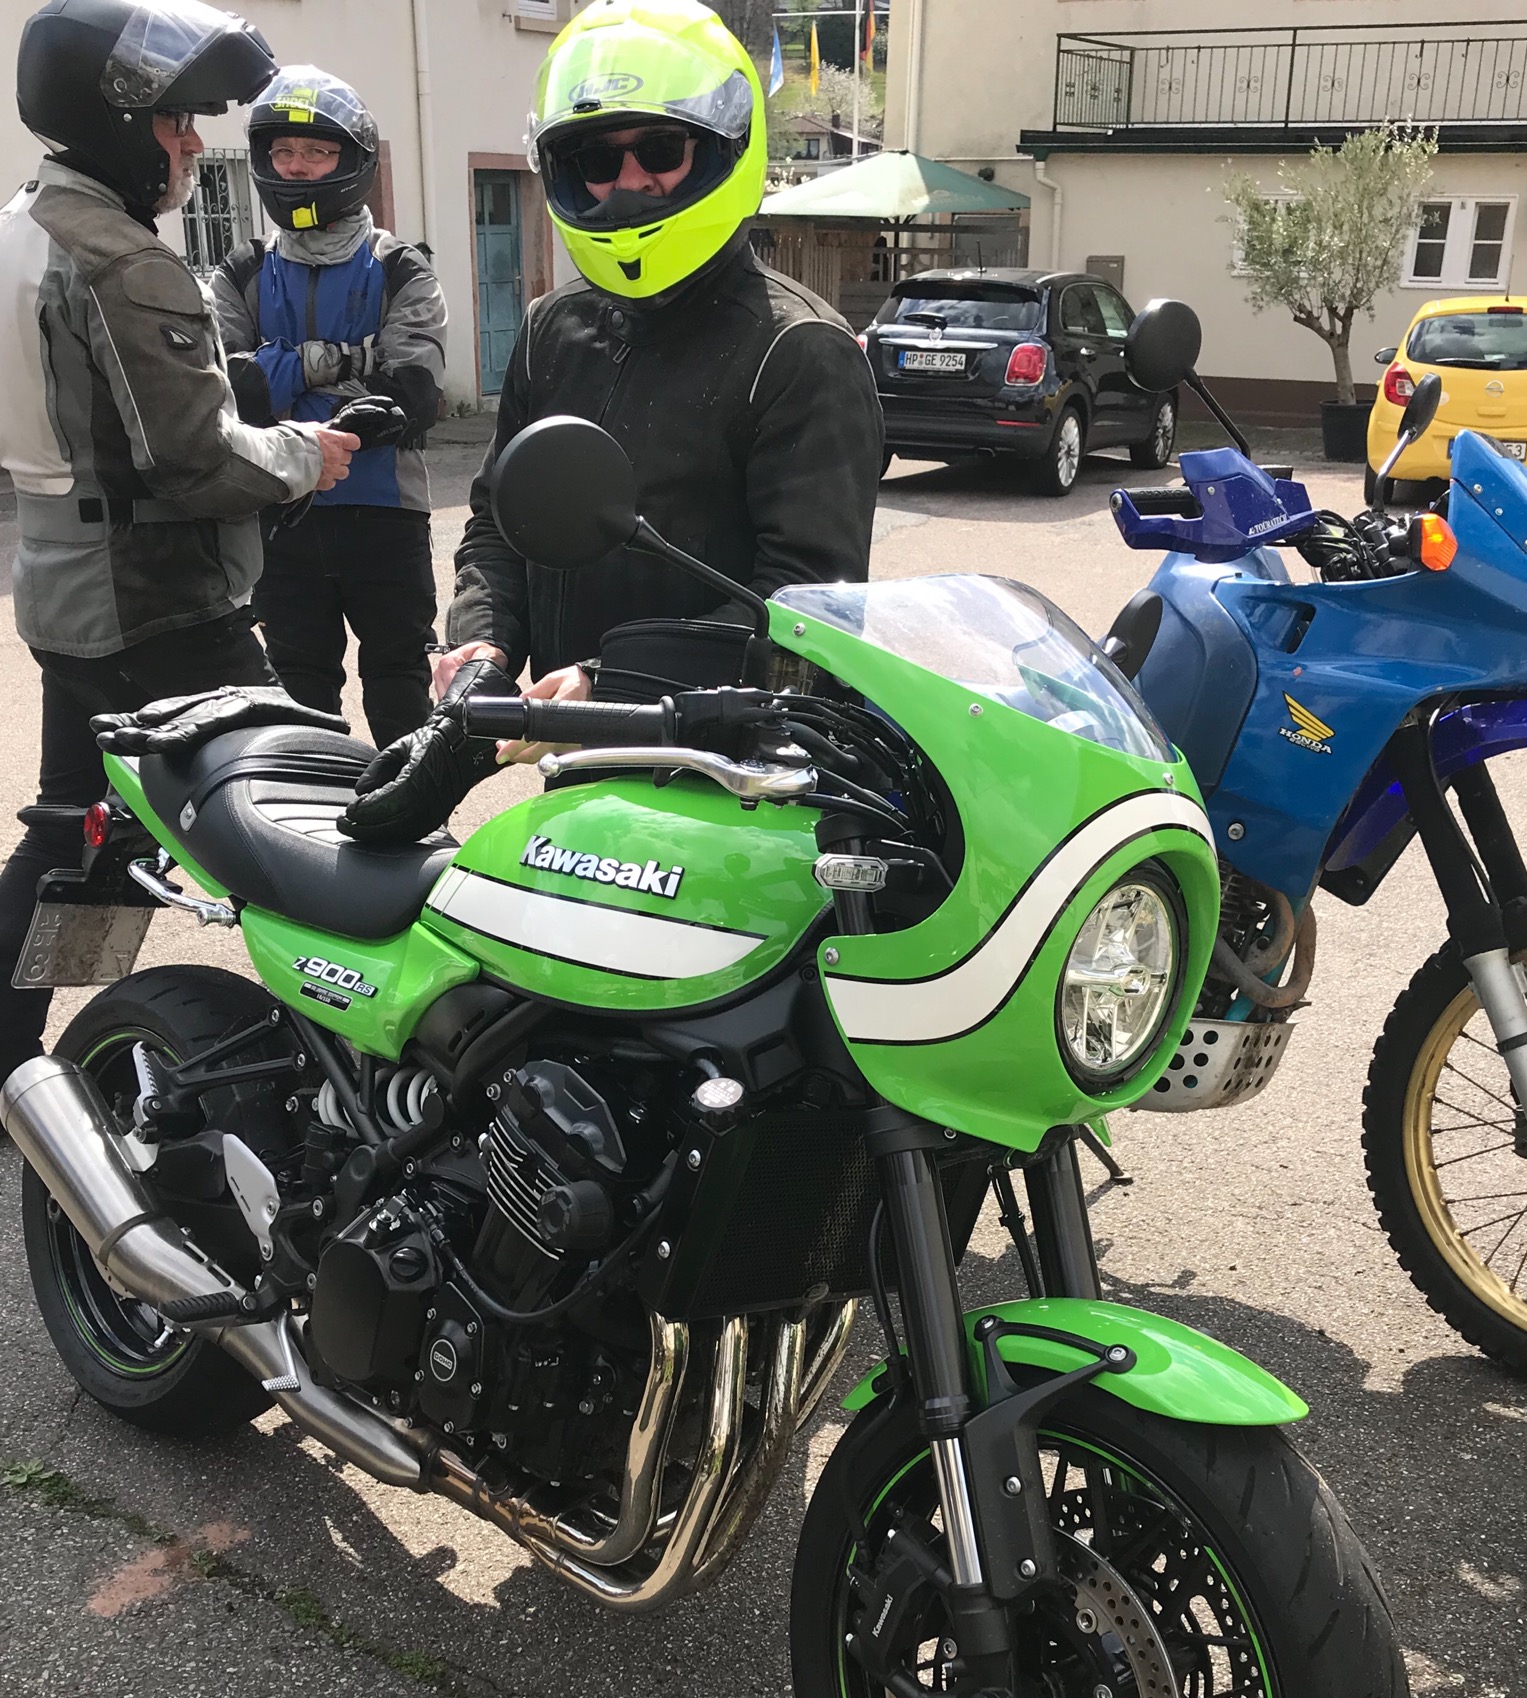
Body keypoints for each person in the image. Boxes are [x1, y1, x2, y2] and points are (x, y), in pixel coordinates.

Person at [343, 0, 883, 841]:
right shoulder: (553, 328)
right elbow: (501, 522)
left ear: (722, 149)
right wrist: (483, 655)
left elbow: (805, 610)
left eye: (661, 150)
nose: (629, 182)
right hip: (576, 762)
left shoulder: (800, 351)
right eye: (597, 159)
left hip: (729, 778)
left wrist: (609, 681)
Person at [0, 0, 359, 1083]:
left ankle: (17, 1060)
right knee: (301, 822)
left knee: (87, 829)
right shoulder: (120, 257)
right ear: (113, 121)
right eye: (174, 122)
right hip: (161, 604)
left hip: (62, 590)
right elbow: (194, 460)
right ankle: (343, 1077)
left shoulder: (19, 225)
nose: (195, 144)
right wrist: (303, 453)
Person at [214, 67, 449, 747]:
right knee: (297, 690)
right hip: (281, 513)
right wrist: (345, 361)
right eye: (284, 151)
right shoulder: (241, 270)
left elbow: (412, 397)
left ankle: (408, 810)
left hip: (386, 514)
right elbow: (229, 393)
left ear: (352, 162)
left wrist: (282, 374)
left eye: (316, 152)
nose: (296, 167)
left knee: (400, 682)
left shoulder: (401, 267)